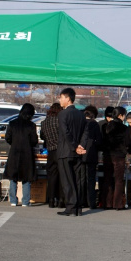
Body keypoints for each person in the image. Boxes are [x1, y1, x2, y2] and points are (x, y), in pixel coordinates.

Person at [56, 87, 88, 217]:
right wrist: (81, 145)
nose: (60, 100)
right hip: (77, 152)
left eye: (61, 97)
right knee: (76, 179)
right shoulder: (81, 114)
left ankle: (71, 206)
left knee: (67, 180)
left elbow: (65, 133)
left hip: (66, 151)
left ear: (68, 99)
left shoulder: (63, 114)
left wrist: (75, 146)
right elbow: (86, 131)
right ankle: (78, 207)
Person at [4, 103, 38, 207]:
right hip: (27, 154)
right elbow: (34, 141)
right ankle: (25, 201)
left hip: (14, 153)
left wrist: (13, 143)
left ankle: (13, 200)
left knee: (13, 178)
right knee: (26, 178)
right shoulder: (31, 125)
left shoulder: (12, 123)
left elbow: (7, 138)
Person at [102, 106, 129, 210]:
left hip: (107, 155)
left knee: (107, 179)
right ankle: (117, 204)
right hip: (119, 155)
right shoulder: (124, 128)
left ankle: (106, 203)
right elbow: (127, 143)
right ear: (120, 116)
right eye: (124, 116)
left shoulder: (105, 126)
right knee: (118, 180)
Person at [40, 103, 63, 208]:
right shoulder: (60, 121)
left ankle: (51, 200)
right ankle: (60, 199)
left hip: (50, 151)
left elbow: (42, 136)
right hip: (61, 151)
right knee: (62, 176)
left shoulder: (44, 122)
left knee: (51, 177)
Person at [82, 105, 102, 209]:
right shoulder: (95, 124)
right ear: (93, 116)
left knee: (81, 179)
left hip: (80, 155)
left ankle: (82, 201)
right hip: (92, 155)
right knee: (91, 179)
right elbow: (99, 141)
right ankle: (91, 202)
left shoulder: (80, 124)